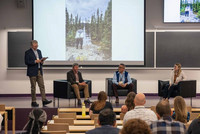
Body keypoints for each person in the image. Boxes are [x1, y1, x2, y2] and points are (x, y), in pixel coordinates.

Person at [24, 40, 52, 107]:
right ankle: (33, 101)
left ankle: (44, 100)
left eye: (37, 46)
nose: (36, 47)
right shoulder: (27, 52)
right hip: (32, 71)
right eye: (35, 46)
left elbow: (40, 60)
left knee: (42, 86)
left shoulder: (39, 51)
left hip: (39, 71)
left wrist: (42, 61)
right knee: (33, 87)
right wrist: (35, 61)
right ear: (31, 46)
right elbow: (26, 62)